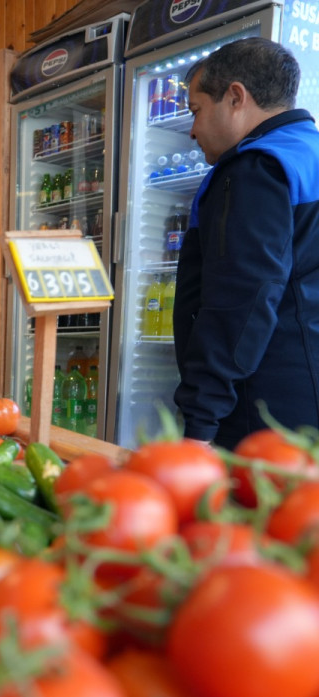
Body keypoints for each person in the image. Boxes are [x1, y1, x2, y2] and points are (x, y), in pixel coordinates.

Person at [172, 37, 319, 448]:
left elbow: (242, 301)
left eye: (197, 111)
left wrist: (201, 421)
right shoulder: (307, 154)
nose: (192, 130)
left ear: (236, 97)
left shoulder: (257, 169)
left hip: (266, 413)